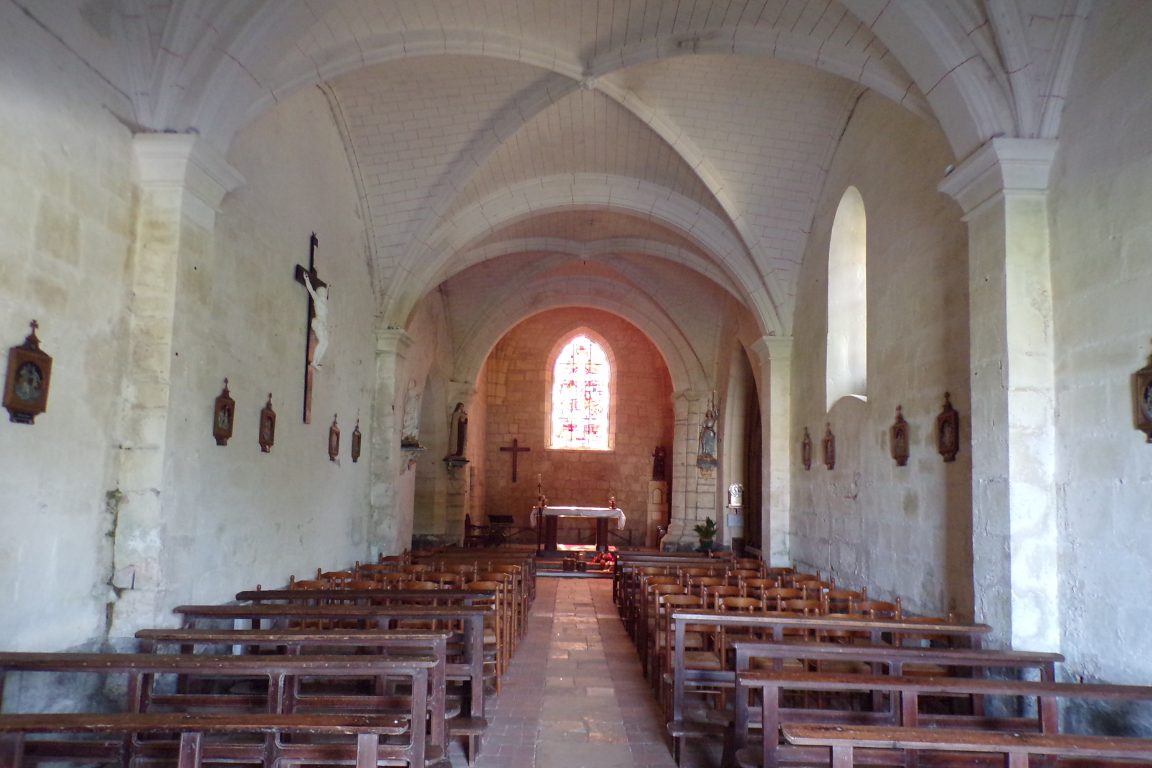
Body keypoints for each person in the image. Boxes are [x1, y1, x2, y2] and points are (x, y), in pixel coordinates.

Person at [301, 270, 329, 368]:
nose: (325, 295)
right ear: (320, 293)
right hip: (318, 322)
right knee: (322, 342)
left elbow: (326, 298)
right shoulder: (317, 299)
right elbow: (311, 290)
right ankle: (314, 362)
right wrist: (307, 280)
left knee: (326, 343)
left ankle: (317, 361)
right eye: (324, 293)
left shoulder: (325, 304)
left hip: (323, 325)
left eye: (325, 293)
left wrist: (328, 287)